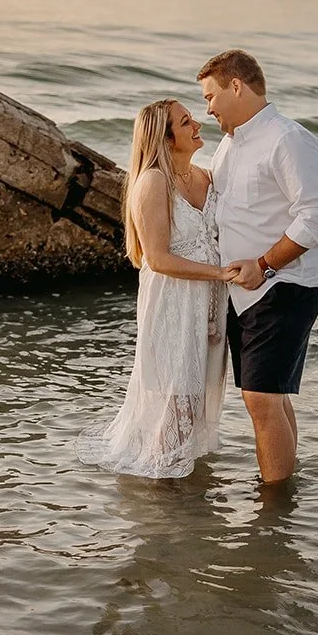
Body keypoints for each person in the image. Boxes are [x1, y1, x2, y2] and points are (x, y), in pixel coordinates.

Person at [198, 49, 318, 486]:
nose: (208, 107)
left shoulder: (286, 138)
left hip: (283, 285)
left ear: (235, 86)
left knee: (259, 397)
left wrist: (264, 266)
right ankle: (285, 493)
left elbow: (317, 215)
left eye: (210, 95)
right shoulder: (229, 144)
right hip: (244, 291)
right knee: (269, 397)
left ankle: (273, 513)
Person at [78, 99, 234, 479]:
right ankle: (161, 500)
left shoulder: (206, 177)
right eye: (185, 122)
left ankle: (178, 493)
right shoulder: (152, 183)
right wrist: (221, 274)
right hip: (173, 304)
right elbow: (159, 259)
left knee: (195, 404)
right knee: (176, 403)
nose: (196, 123)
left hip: (209, 304)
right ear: (165, 139)